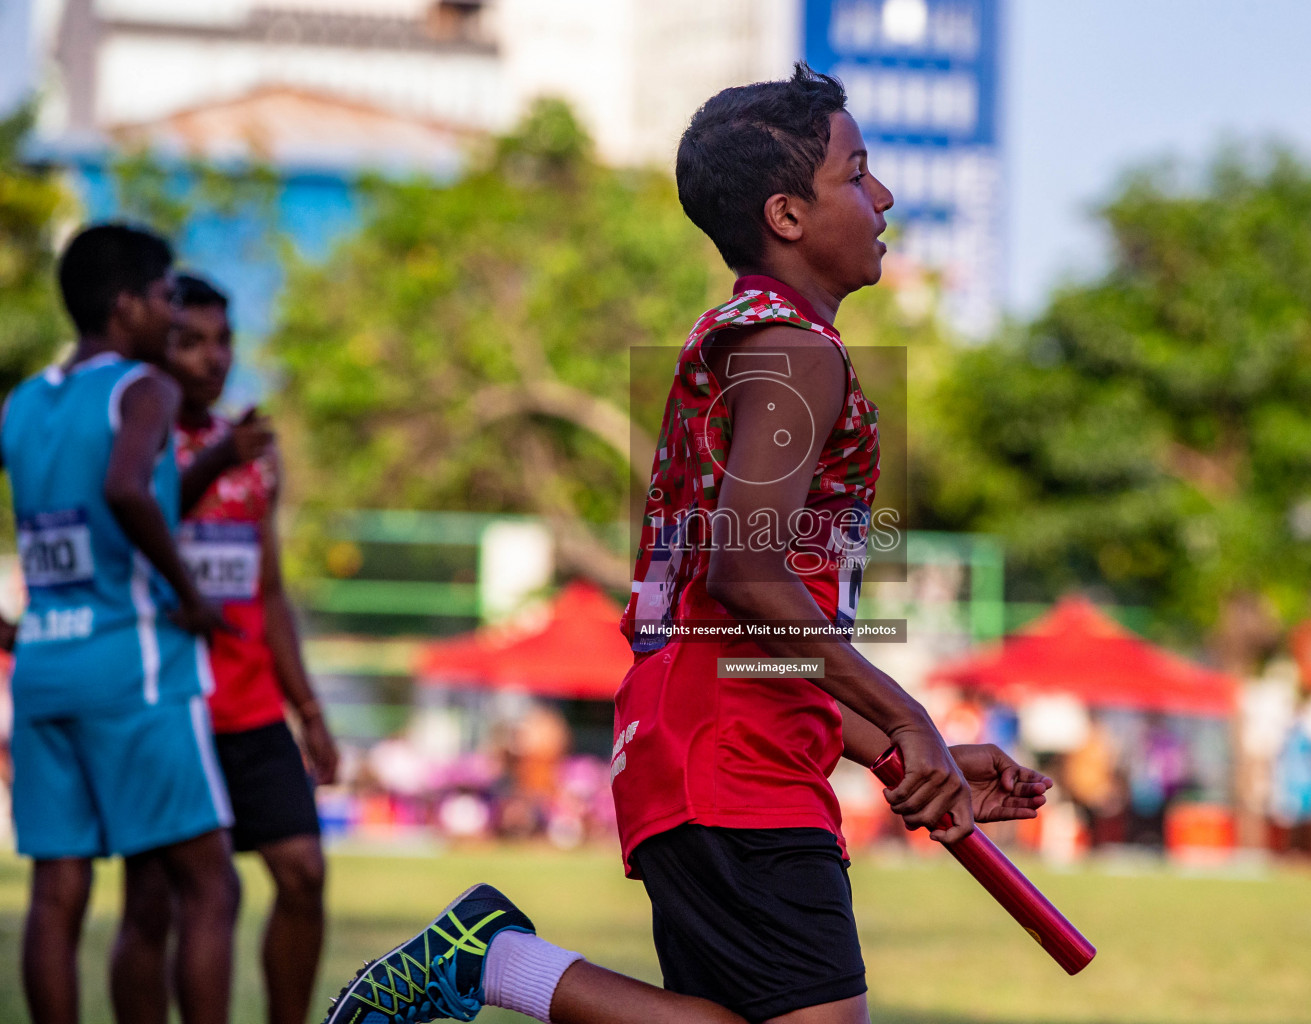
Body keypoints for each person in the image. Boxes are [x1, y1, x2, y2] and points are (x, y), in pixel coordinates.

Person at [321, 64, 1053, 1024]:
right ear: (787, 215)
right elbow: (746, 577)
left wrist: (914, 759)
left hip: (708, 731)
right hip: (728, 751)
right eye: (858, 172)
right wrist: (907, 712)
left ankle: (499, 965)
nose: (883, 196)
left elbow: (741, 631)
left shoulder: (744, 338)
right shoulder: (794, 351)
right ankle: (494, 964)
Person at [0, 224, 240, 1024]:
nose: (172, 316)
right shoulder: (144, 388)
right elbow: (128, 488)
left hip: (41, 667)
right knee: (211, 883)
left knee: (58, 890)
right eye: (166, 297)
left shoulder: (25, 400)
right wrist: (191, 596)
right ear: (126, 303)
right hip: (132, 665)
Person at [137, 272, 336, 1024]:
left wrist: (309, 710)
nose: (212, 358)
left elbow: (271, 591)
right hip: (169, 707)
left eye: (224, 341)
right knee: (168, 903)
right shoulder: (140, 442)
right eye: (191, 340)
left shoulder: (254, 452)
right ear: (158, 341)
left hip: (252, 712)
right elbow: (141, 515)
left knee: (302, 873)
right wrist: (215, 458)